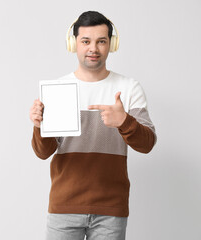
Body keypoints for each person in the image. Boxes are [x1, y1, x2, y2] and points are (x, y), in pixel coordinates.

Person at [29, 11, 156, 240]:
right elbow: (42, 152)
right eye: (86, 41)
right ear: (73, 43)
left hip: (111, 209)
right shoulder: (58, 89)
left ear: (112, 44)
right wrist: (39, 126)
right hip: (64, 207)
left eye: (101, 41)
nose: (93, 49)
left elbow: (147, 144)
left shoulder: (129, 88)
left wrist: (124, 121)